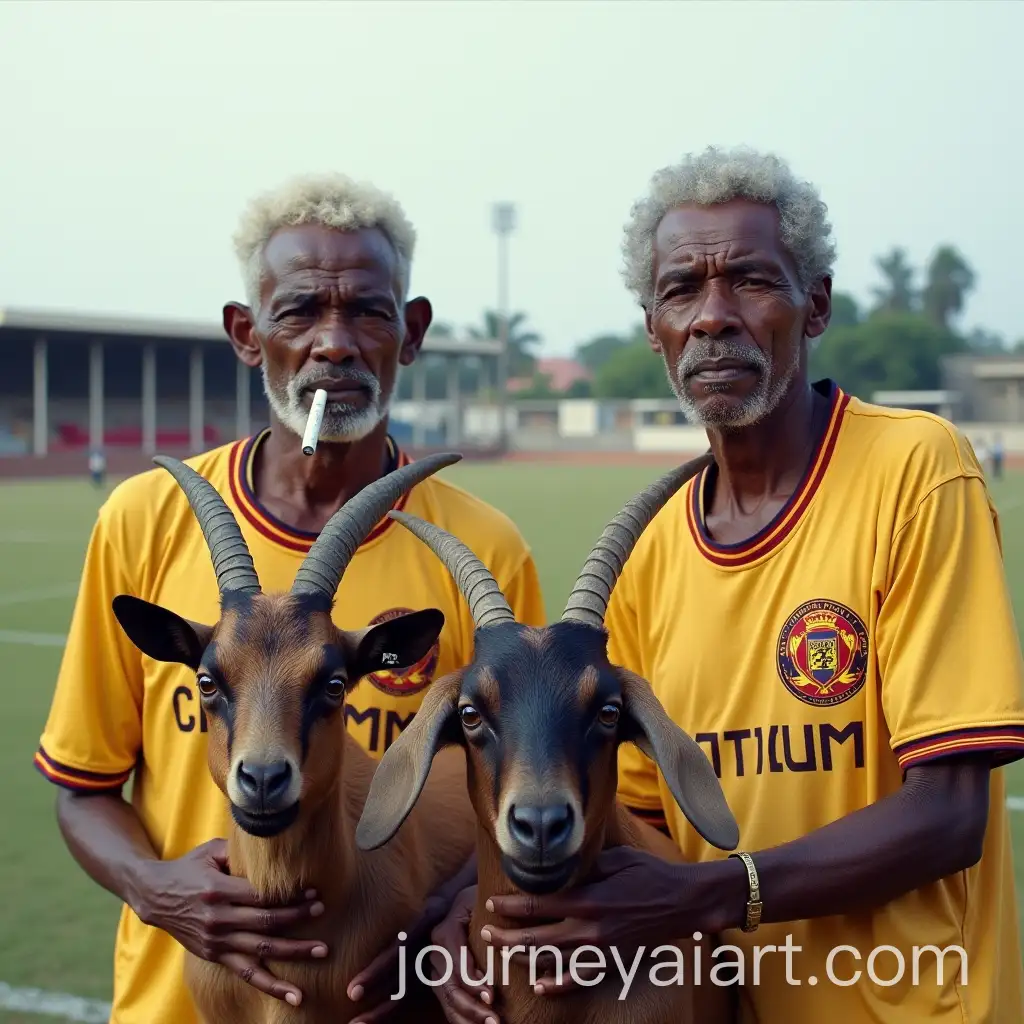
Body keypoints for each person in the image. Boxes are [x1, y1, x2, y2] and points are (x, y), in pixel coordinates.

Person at [419, 146, 1024, 1024]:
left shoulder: (916, 470)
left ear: (813, 302)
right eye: (681, 292)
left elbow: (951, 813)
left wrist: (710, 895)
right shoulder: (650, 551)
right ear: (652, 327)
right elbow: (631, 821)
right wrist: (459, 911)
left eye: (749, 281)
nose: (712, 318)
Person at [32, 173, 546, 1024]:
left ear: (411, 332)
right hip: (182, 1005)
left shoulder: (481, 550)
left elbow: (517, 795)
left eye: (368, 313)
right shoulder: (143, 519)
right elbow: (82, 784)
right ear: (247, 333)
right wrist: (160, 890)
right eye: (301, 310)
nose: (334, 344)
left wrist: (441, 919)